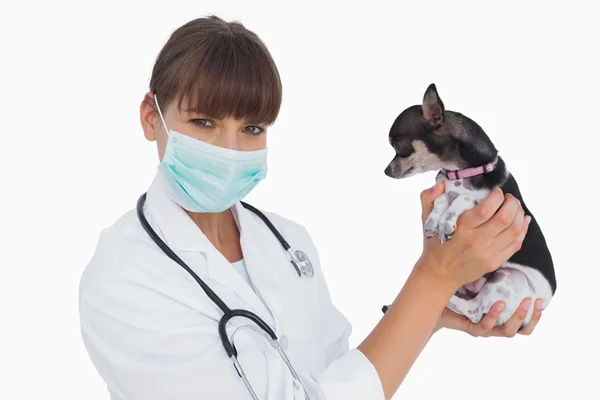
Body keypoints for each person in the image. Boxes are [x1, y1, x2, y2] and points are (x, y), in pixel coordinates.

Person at [78, 15, 543, 400]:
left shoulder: (288, 243)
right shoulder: (122, 281)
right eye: (204, 122)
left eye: (253, 129)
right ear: (149, 117)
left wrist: (436, 307)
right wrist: (432, 278)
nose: (231, 148)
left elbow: (341, 378)